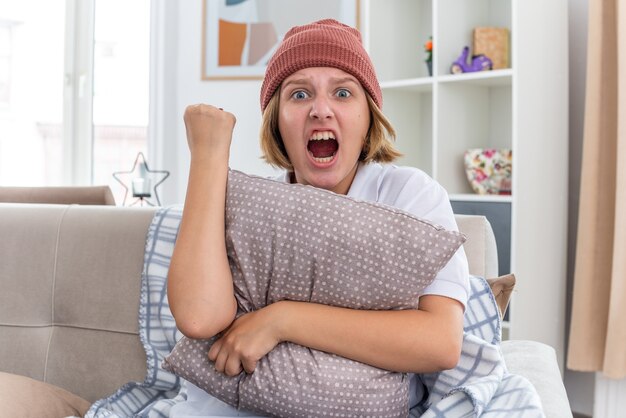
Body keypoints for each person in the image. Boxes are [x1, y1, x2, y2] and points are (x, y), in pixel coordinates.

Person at [167, 19, 469, 417]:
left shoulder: (409, 196)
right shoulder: (251, 205)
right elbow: (198, 316)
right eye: (299, 94)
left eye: (343, 92)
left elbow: (440, 343)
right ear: (277, 120)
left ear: (368, 118)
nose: (321, 110)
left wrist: (281, 320)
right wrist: (207, 156)